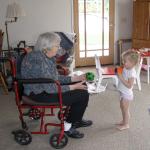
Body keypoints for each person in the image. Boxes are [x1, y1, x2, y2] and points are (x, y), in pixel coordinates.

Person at [21, 32, 92, 138]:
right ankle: (68, 127)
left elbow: (55, 78)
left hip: (46, 88)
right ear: (47, 46)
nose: (59, 48)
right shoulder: (38, 60)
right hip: (39, 93)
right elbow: (51, 87)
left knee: (82, 85)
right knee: (81, 94)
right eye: (57, 45)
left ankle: (76, 119)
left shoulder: (46, 56)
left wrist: (77, 78)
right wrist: (73, 87)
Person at [116, 49, 140, 130]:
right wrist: (119, 70)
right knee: (122, 107)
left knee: (126, 110)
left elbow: (129, 85)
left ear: (132, 63)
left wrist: (121, 77)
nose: (123, 63)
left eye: (125, 61)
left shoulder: (132, 73)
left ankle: (126, 124)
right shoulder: (126, 68)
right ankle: (124, 121)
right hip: (122, 92)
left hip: (127, 94)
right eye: (123, 60)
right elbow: (122, 70)